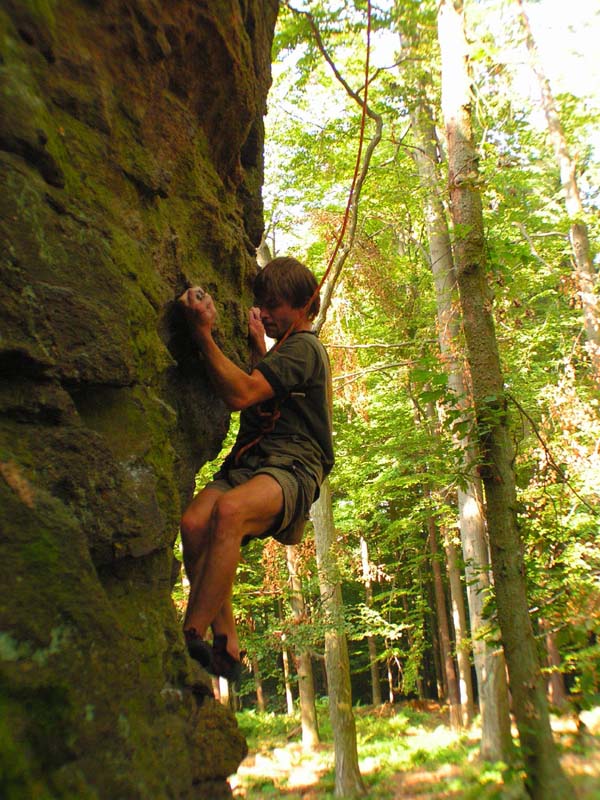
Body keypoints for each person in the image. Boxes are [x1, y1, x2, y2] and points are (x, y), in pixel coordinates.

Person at [178, 257, 334, 681]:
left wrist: (202, 333)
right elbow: (270, 386)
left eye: (275, 305)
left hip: (294, 466)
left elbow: (243, 394)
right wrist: (258, 347)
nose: (264, 313)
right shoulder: (283, 348)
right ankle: (226, 642)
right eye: (261, 303)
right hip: (251, 462)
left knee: (230, 512)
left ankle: (189, 635)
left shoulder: (305, 346)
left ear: (303, 307)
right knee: (193, 523)